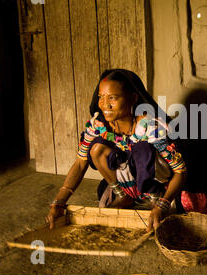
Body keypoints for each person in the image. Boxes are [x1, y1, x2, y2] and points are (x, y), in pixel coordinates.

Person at [45, 69, 187, 232]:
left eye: (112, 97)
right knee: (97, 148)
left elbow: (180, 171)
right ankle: (123, 196)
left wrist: (163, 205)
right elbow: (80, 163)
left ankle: (154, 199)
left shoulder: (150, 126)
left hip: (158, 185)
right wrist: (59, 202)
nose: (104, 104)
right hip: (128, 183)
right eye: (101, 97)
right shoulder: (97, 126)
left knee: (142, 149)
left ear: (133, 98)